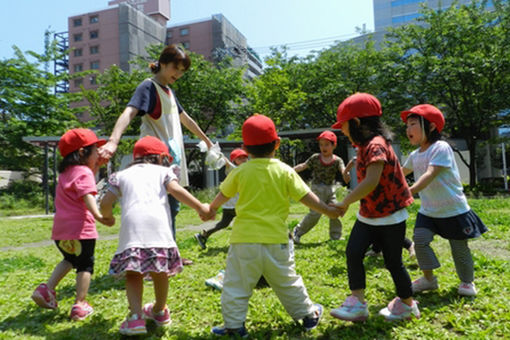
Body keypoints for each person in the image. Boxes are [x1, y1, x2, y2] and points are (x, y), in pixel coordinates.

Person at [206, 114, 341, 337]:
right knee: (287, 282)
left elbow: (223, 194)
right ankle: (308, 315)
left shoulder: (240, 171)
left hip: (243, 241)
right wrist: (328, 210)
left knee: (236, 284)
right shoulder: (285, 171)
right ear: (276, 144)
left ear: (245, 147)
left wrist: (210, 209)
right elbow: (307, 197)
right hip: (277, 240)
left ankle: (234, 326)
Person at [98, 44, 213, 265]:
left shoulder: (169, 91)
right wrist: (113, 141)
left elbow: (186, 119)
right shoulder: (148, 87)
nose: (177, 75)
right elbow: (129, 111)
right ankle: (149, 255)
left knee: (173, 207)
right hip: (152, 160)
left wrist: (207, 141)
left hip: (171, 159)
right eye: (175, 69)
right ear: (162, 63)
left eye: (181, 71)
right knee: (156, 207)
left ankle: (170, 254)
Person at [99, 136, 210, 336]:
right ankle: (159, 310)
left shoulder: (122, 175)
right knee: (161, 272)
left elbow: (106, 201)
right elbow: (176, 190)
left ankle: (135, 318)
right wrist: (200, 206)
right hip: (160, 232)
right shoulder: (164, 172)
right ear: (160, 157)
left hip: (133, 233)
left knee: (134, 274)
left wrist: (106, 216)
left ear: (136, 158)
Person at [328, 93, 420, 322]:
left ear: (357, 123)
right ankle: (357, 303)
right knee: (353, 252)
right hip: (369, 214)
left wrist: (344, 202)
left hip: (390, 216)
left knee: (393, 262)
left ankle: (408, 305)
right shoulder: (365, 145)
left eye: (345, 126)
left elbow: (371, 181)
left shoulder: (375, 146)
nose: (343, 131)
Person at [400, 104, 488, 296]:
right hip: (429, 211)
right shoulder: (415, 155)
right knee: (420, 241)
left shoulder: (441, 148)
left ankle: (467, 282)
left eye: (413, 124)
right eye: (407, 126)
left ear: (431, 127)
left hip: (453, 210)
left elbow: (430, 174)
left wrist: (410, 191)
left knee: (459, 249)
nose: (408, 130)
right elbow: (399, 173)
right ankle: (429, 280)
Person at [31, 128, 115, 321]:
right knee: (85, 265)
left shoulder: (66, 173)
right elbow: (87, 194)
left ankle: (46, 289)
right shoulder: (84, 173)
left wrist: (95, 166)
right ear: (82, 153)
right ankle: (80, 303)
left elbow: (82, 181)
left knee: (70, 259)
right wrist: (99, 215)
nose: (98, 153)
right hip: (81, 230)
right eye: (95, 150)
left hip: (61, 232)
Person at [291, 130, 347, 243]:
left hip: (330, 189)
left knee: (335, 210)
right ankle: (298, 231)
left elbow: (343, 170)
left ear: (334, 145)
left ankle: (335, 236)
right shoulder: (315, 158)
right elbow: (303, 165)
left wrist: (346, 174)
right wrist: (291, 170)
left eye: (326, 144)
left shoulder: (337, 160)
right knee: (315, 214)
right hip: (317, 189)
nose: (323, 147)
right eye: (321, 144)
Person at [194, 148, 249, 249]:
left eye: (245, 157)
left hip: (229, 204)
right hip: (235, 204)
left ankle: (203, 235)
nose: (244, 160)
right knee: (248, 221)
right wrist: (214, 150)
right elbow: (226, 162)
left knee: (223, 223)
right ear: (234, 161)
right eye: (240, 158)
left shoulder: (246, 170)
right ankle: (244, 243)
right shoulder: (233, 169)